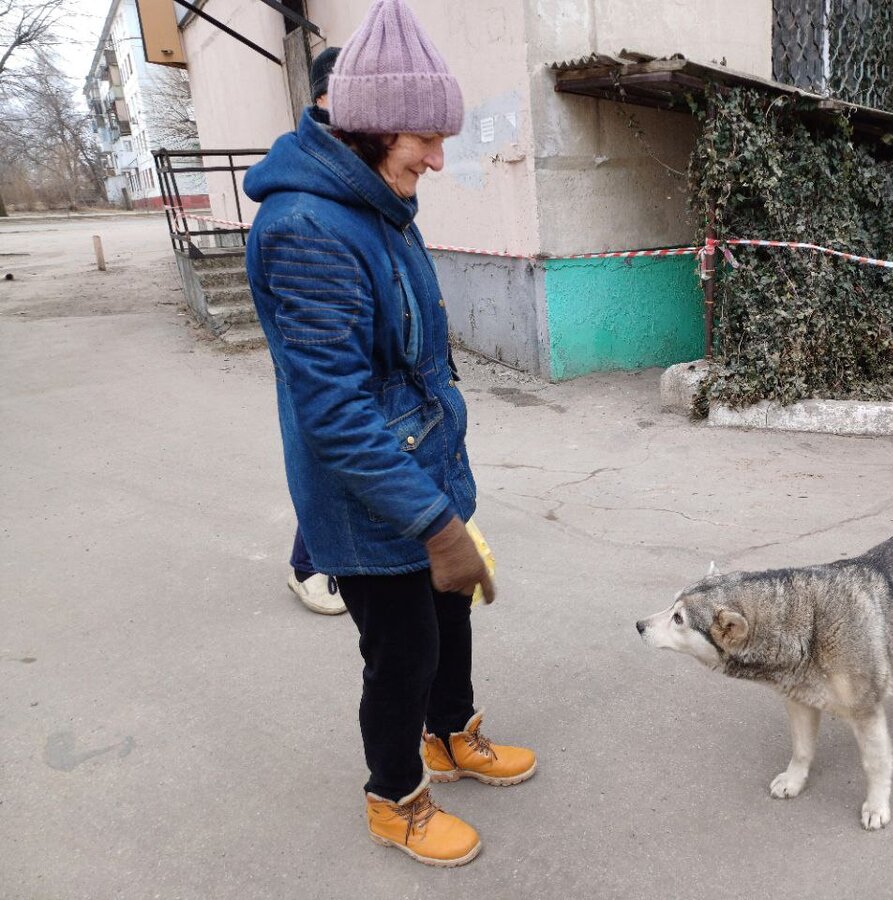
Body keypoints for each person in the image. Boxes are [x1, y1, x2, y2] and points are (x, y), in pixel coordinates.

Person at [244, 0, 535, 867]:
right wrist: (435, 525)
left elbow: (412, 364)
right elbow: (333, 412)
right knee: (400, 654)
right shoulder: (306, 229)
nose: (439, 159)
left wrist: (448, 506)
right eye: (424, 139)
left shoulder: (376, 201)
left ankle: (452, 737)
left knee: (451, 626)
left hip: (424, 478)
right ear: (370, 124)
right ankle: (394, 796)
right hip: (374, 505)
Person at [283, 45, 345, 617]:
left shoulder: (354, 185)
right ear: (325, 94)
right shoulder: (307, 217)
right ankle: (308, 567)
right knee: (331, 454)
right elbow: (330, 403)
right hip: (343, 396)